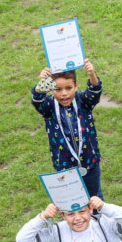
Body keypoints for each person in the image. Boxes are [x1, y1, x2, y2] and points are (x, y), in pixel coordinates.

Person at [32, 60, 104, 198]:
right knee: (72, 200)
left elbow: (95, 91)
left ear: (76, 86)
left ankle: (97, 219)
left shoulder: (83, 101)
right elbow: (37, 99)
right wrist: (42, 82)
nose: (64, 93)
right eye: (58, 89)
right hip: (64, 167)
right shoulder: (49, 107)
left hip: (90, 163)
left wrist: (91, 74)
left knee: (94, 197)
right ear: (51, 89)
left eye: (68, 88)